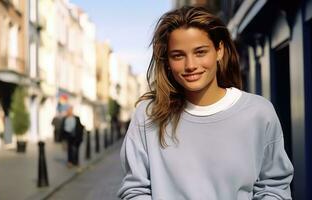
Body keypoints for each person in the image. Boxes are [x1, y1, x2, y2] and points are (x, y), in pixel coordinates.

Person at [117, 6, 294, 200]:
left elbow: (274, 187)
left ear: (219, 51)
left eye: (200, 52)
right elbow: (135, 191)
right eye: (178, 55)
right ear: (167, 61)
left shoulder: (259, 112)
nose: (190, 65)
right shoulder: (149, 115)